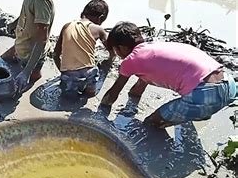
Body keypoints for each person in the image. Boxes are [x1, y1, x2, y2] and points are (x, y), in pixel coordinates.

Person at [100, 21, 236, 128]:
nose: (116, 55)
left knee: (151, 123)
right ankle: (202, 112)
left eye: (115, 50)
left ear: (122, 48)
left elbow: (114, 93)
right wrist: (133, 100)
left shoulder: (131, 60)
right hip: (229, 85)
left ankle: (202, 111)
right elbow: (141, 85)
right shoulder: (152, 49)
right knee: (195, 106)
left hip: (205, 94)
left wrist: (100, 111)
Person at [1, 0, 55, 95]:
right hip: (22, 43)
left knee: (28, 82)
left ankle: (32, 81)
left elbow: (42, 39)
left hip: (31, 52)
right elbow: (29, 11)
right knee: (3, 60)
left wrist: (26, 72)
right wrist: (15, 23)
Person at [53, 0, 113, 99]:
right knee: (89, 94)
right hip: (88, 74)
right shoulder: (98, 29)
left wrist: (63, 72)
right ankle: (89, 91)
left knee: (68, 97)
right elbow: (112, 51)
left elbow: (55, 54)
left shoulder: (66, 26)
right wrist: (109, 61)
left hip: (69, 75)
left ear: (82, 14)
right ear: (100, 18)